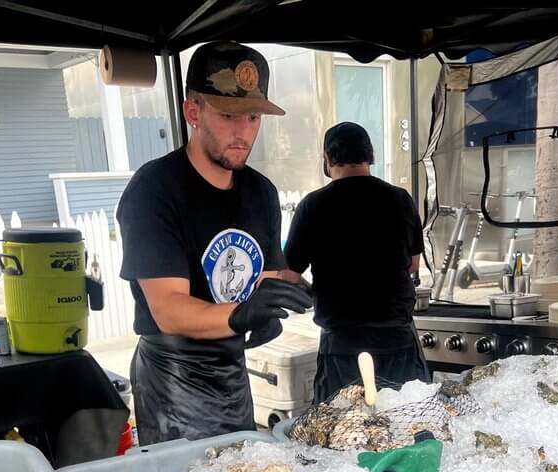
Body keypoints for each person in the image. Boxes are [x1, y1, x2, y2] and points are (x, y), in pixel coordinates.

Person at [117, 41, 312, 445]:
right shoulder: (155, 190)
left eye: (253, 117)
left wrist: (281, 296)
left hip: (231, 371)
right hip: (173, 378)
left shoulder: (261, 192)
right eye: (228, 115)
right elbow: (169, 309)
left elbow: (267, 276)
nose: (243, 133)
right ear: (193, 111)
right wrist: (241, 314)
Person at [283, 122, 429, 403]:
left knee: (341, 434)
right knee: (407, 427)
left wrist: (315, 293)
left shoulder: (312, 206)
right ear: (369, 155)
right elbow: (413, 265)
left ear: (327, 158)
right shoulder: (399, 200)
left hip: (342, 346)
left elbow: (288, 276)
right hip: (398, 341)